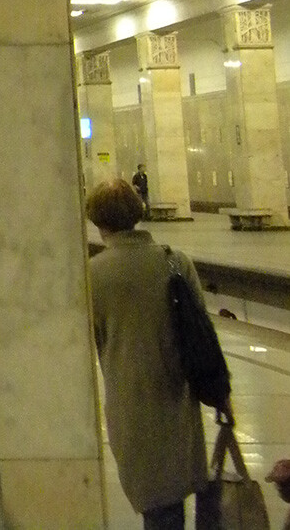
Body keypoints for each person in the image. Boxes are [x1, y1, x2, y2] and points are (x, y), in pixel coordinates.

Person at [86, 178, 229, 528]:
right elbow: (203, 334)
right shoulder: (175, 262)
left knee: (158, 503)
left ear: (98, 221)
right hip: (179, 398)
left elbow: (94, 338)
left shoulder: (92, 275)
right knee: (180, 488)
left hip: (130, 401)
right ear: (137, 213)